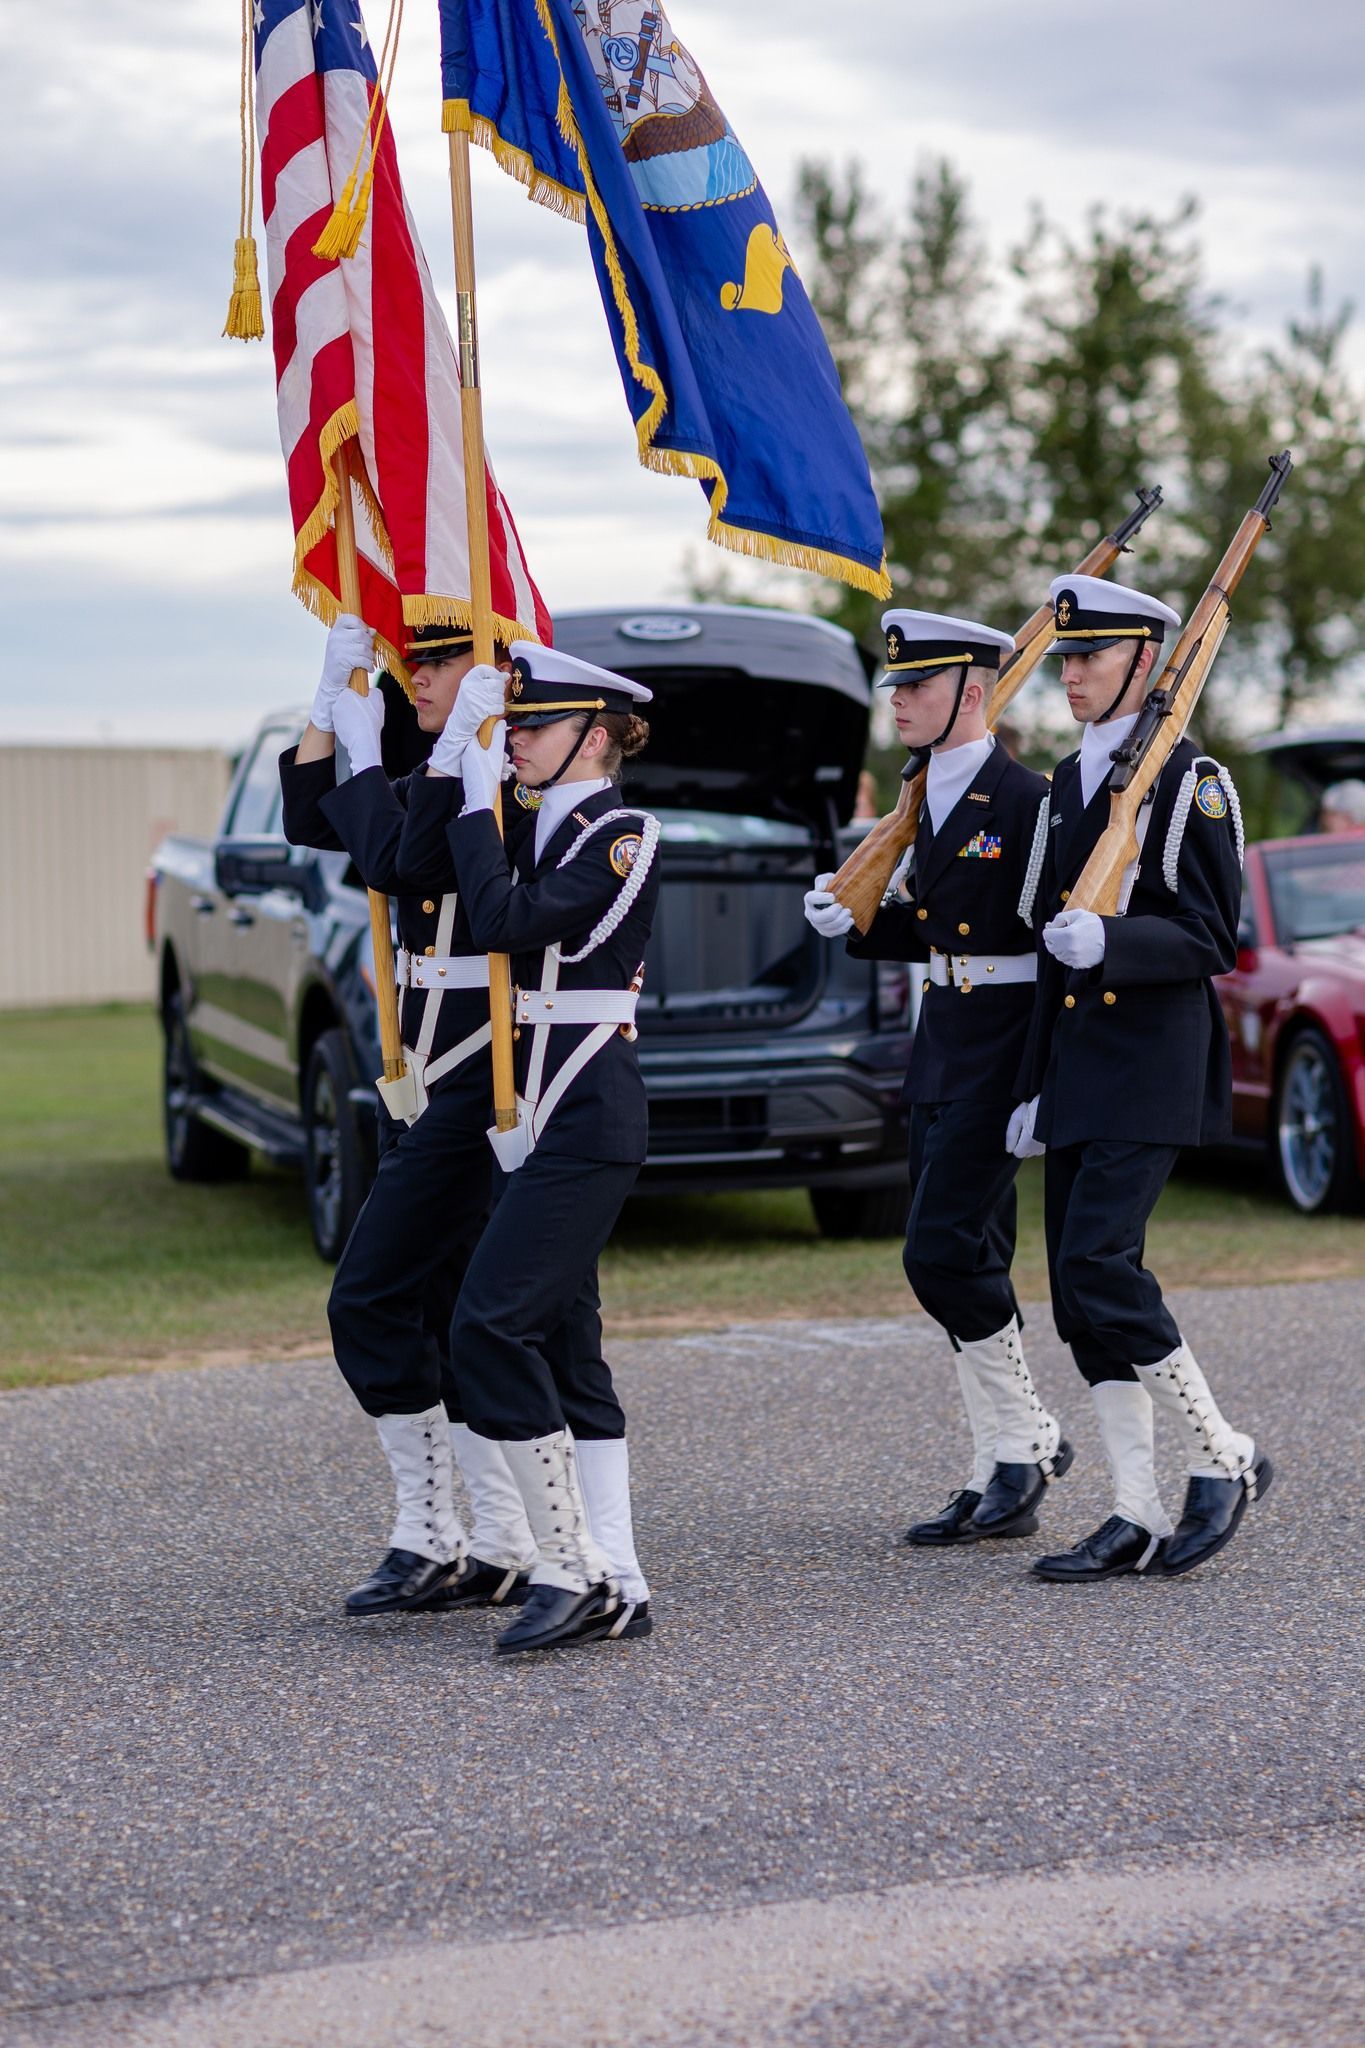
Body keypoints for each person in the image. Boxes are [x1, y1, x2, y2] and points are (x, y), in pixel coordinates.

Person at [1011, 575, 1272, 1583]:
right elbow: (1046, 953)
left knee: (1102, 1264)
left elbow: (1214, 934)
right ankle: (1134, 1507)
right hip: (1079, 1067)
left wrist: (1110, 940)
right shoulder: (1070, 783)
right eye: (1068, 657)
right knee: (1077, 1298)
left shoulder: (1189, 779)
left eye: (1093, 656)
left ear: (1149, 662)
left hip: (1153, 1061)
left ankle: (1226, 1452)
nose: (1071, 672)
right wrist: (1033, 1084)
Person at [280, 616, 542, 1616]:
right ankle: (499, 1541)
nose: (415, 676)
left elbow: (403, 858)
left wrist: (427, 746)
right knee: (438, 1301)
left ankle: (432, 1531)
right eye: (409, 662)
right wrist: (327, 705)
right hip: (418, 1065)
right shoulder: (438, 765)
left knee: (369, 1298)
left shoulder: (511, 786)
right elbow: (316, 820)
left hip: (484, 1067)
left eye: (436, 662)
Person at [804, 609, 1072, 1548]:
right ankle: (999, 1461)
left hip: (1002, 1051)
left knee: (938, 1251)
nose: (899, 701)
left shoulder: (1030, 802)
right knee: (974, 1254)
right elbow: (935, 933)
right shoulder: (922, 798)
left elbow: (1052, 950)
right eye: (895, 687)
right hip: (941, 1040)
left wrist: (1042, 1081)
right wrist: (855, 923)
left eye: (917, 685)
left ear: (973, 691)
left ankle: (1029, 1436)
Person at [437, 642, 660, 1655]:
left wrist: (479, 803)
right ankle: (618, 1572)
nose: (515, 736)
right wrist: (456, 757)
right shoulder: (530, 829)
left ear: (598, 733)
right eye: (514, 722)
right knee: (569, 1351)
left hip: (586, 1109)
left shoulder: (620, 834)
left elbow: (503, 918)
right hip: (533, 1106)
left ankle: (565, 1564)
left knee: (488, 1323)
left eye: (535, 722)